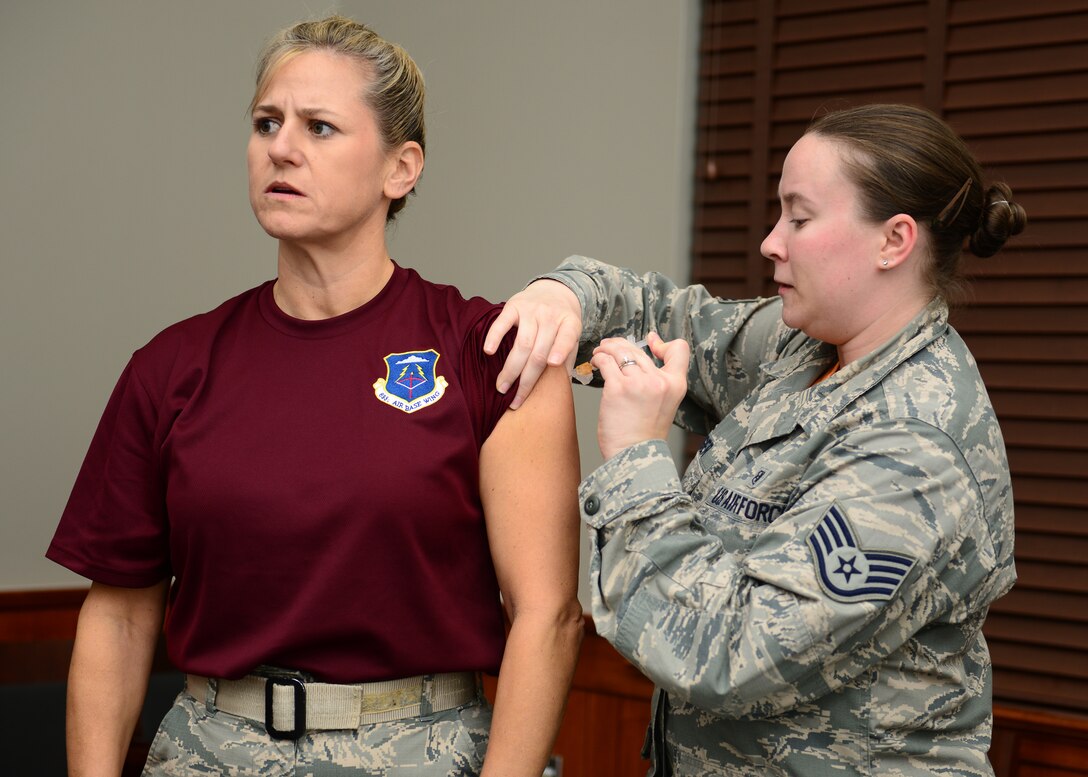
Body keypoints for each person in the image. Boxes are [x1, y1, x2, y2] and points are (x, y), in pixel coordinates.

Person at [47, 15, 583, 777]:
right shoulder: (171, 366)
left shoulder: (490, 352)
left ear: (402, 168)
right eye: (267, 123)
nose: (281, 148)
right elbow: (121, 615)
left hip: (420, 751)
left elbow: (547, 617)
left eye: (320, 127)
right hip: (210, 750)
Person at [484, 103, 1025, 775]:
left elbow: (724, 650)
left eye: (799, 218)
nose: (773, 241)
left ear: (894, 240)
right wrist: (563, 295)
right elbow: (669, 318)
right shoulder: (804, 346)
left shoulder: (917, 449)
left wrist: (634, 457)